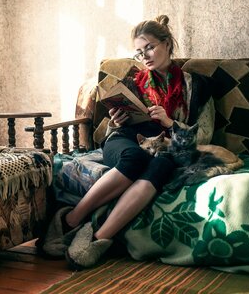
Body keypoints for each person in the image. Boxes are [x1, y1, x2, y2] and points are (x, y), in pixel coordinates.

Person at [41, 15, 215, 269]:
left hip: (167, 146)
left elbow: (205, 135)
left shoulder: (197, 86)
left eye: (150, 47)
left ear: (167, 44)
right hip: (125, 139)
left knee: (162, 165)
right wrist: (115, 121)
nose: (145, 56)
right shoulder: (132, 83)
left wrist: (169, 123)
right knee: (135, 157)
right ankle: (70, 220)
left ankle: (99, 239)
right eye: (139, 51)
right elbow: (101, 137)